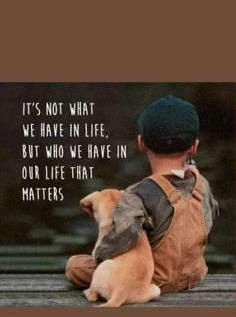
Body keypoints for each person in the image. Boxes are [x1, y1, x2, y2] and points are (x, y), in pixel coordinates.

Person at [65, 95, 219, 293]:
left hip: (149, 278)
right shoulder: (202, 185)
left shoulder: (138, 194)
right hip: (194, 275)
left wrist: (102, 257)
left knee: (75, 267)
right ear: (194, 147)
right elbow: (206, 221)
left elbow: (122, 237)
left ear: (141, 143)